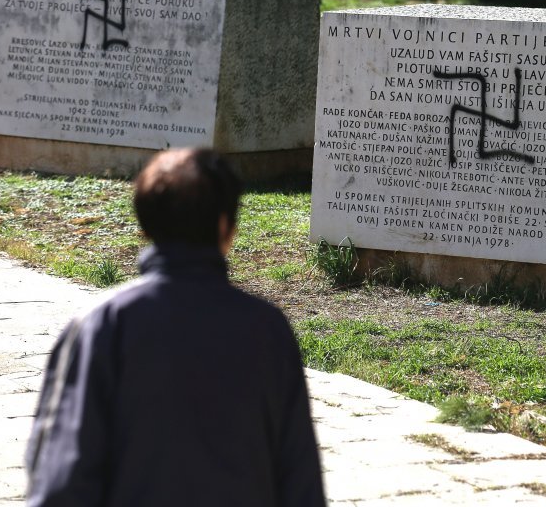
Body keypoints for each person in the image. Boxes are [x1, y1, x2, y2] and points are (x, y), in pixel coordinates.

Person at [26, 148, 326, 507]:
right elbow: (299, 477)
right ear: (225, 227)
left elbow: (61, 474)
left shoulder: (101, 324)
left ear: (145, 224)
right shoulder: (267, 329)